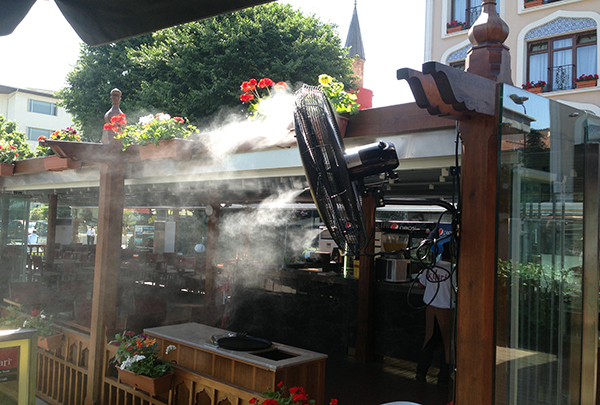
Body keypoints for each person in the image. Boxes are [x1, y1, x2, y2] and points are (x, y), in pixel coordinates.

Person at [416, 241, 454, 385]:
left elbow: (420, 285)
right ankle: (443, 376)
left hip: (430, 310)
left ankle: (421, 372)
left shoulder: (431, 268)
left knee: (429, 342)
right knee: (447, 344)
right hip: (446, 311)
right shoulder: (454, 271)